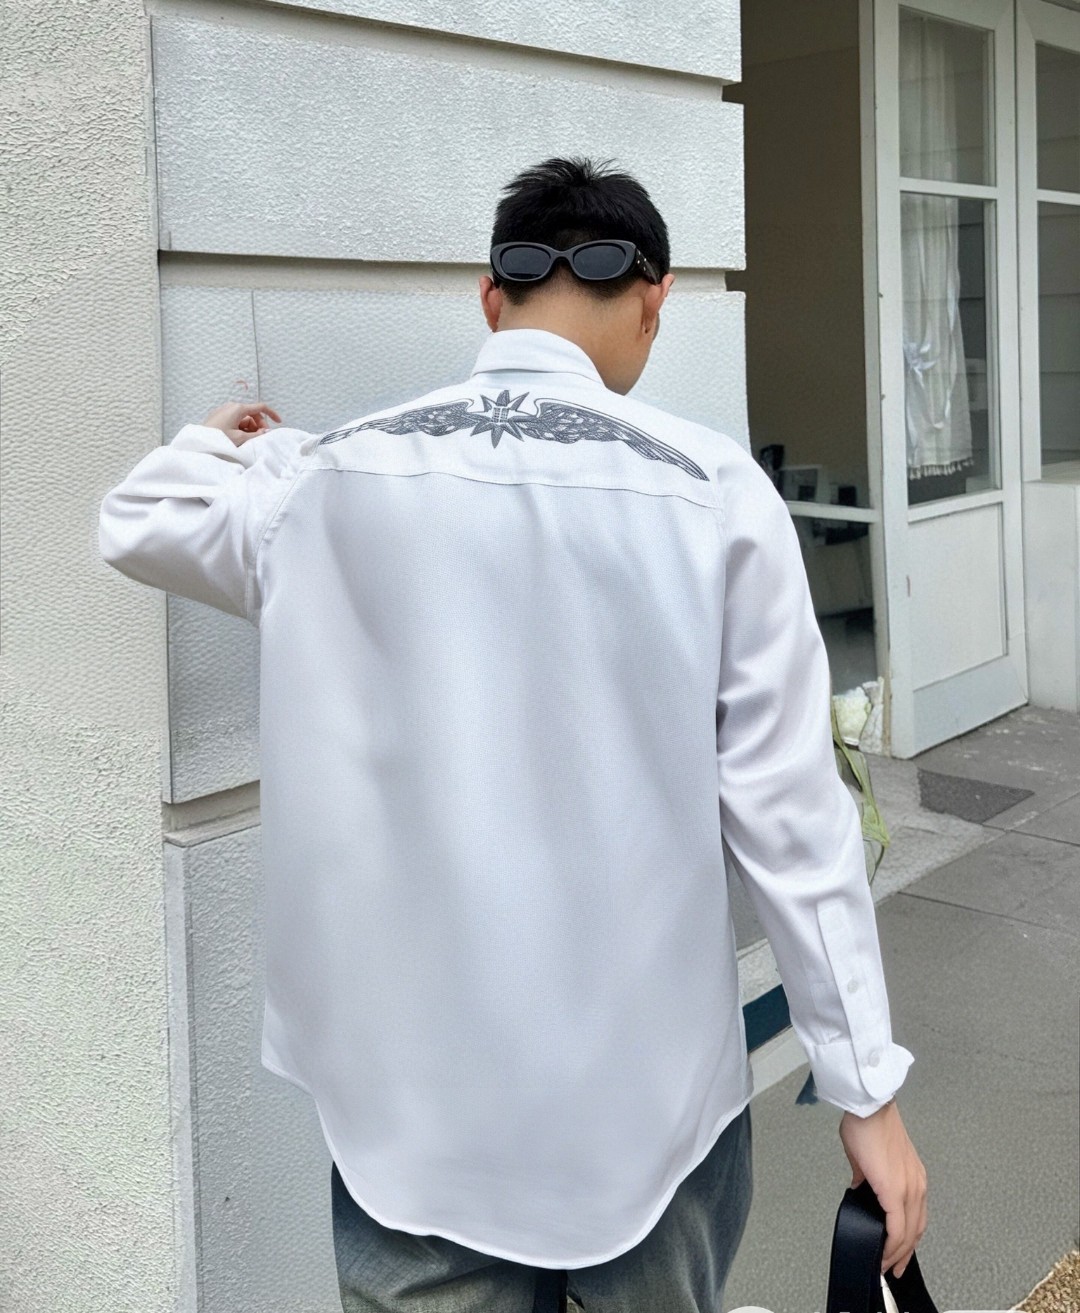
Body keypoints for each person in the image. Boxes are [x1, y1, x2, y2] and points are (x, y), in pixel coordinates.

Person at [98, 156, 927, 1312]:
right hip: (647, 1106)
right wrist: (863, 1087)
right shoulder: (714, 494)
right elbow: (791, 821)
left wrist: (214, 438)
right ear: (652, 301)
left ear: (491, 299)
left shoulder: (322, 480)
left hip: (413, 1114)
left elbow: (136, 519)